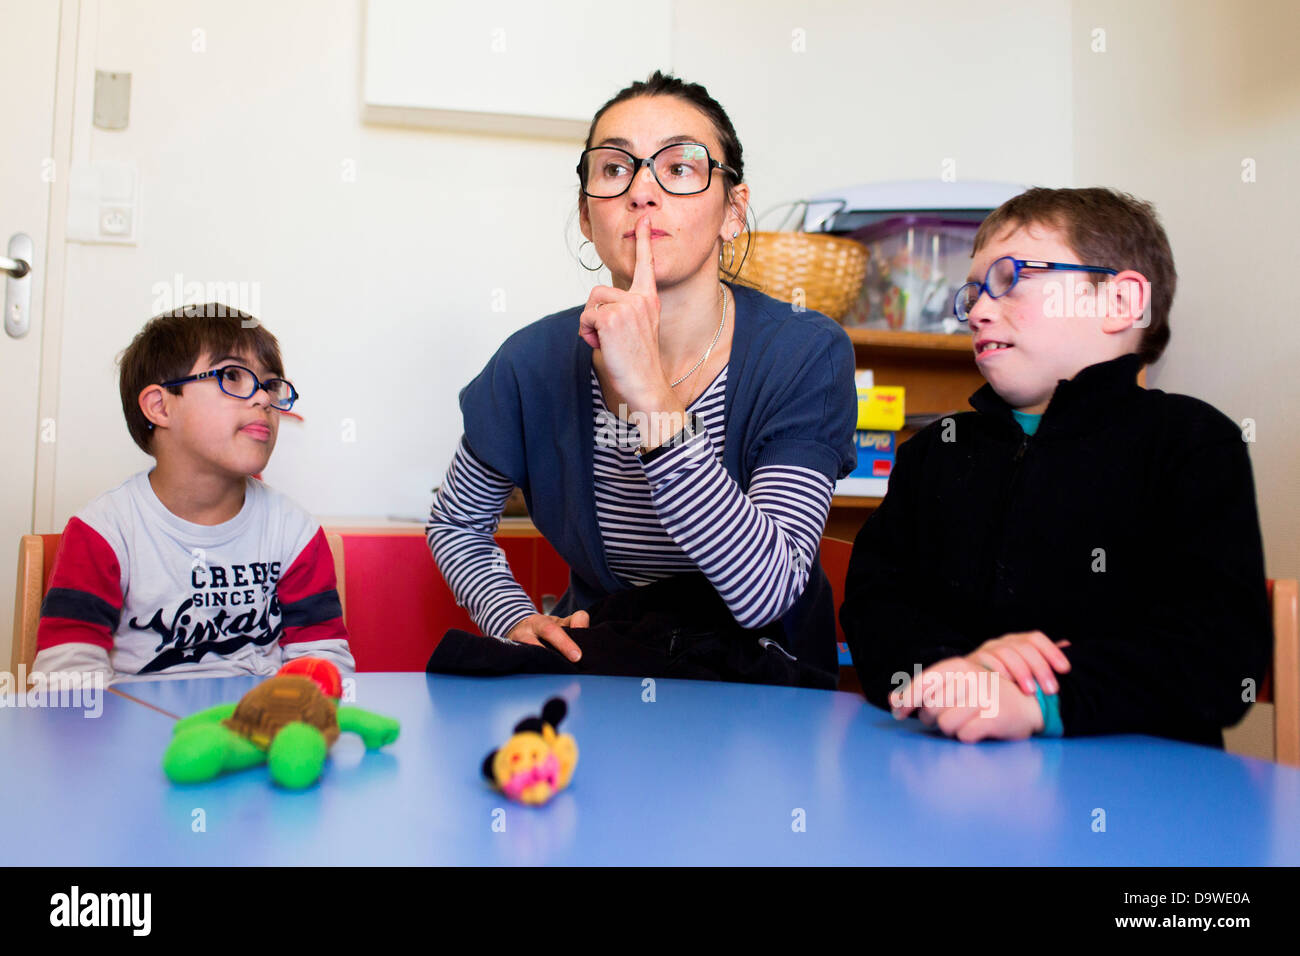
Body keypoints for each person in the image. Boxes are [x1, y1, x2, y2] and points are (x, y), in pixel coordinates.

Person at [426, 71, 857, 685]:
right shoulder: (532, 362)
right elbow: (455, 523)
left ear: (733, 211)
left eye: (680, 168)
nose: (643, 191)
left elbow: (766, 593)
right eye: (614, 169)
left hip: (764, 674)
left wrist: (650, 398)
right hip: (609, 665)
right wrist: (513, 616)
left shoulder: (805, 353)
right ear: (586, 214)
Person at [840, 186, 1271, 746]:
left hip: (1141, 794)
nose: (977, 311)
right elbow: (878, 606)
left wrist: (1037, 697)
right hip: (947, 770)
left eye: (1009, 279)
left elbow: (1219, 654)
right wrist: (949, 672)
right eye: (971, 293)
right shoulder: (933, 452)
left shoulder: (1192, 442)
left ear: (1119, 303)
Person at [30, 304, 355, 684]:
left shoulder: (295, 532)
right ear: (160, 406)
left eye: (270, 385)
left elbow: (323, 661)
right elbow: (66, 676)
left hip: (260, 732)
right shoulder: (104, 531)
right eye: (232, 375)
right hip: (135, 737)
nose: (264, 400)